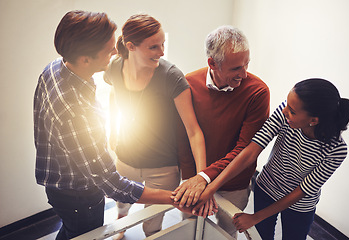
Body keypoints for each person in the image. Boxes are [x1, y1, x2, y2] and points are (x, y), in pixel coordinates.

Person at [33, 10, 193, 240]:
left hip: (58, 185)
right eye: (109, 49)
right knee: (83, 235)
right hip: (80, 197)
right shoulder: (77, 112)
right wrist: (173, 199)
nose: (116, 51)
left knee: (71, 232)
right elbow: (111, 183)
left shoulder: (53, 68)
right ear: (86, 59)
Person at [190, 78, 349, 239]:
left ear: (313, 121)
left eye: (292, 111)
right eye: (287, 104)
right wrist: (211, 187)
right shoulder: (285, 114)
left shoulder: (336, 150)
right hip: (266, 188)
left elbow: (302, 190)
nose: (284, 111)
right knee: (261, 236)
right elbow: (251, 151)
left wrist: (255, 217)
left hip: (300, 205)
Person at [104, 14, 208, 237]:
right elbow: (113, 93)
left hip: (163, 166)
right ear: (130, 46)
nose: (161, 52)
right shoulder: (114, 67)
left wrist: (201, 178)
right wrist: (113, 128)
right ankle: (120, 227)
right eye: (154, 47)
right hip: (126, 157)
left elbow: (193, 131)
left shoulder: (171, 77)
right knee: (122, 205)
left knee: (152, 221)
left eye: (163, 45)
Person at [172, 26, 270, 236]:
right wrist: (192, 178)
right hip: (195, 178)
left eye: (246, 65)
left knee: (226, 232)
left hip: (234, 183)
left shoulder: (258, 92)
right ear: (212, 63)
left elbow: (245, 148)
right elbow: (183, 137)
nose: (243, 74)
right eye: (235, 68)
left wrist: (206, 180)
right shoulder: (188, 84)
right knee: (190, 228)